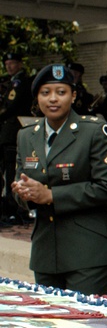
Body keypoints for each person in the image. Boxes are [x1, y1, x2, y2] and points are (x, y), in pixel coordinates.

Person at [12, 63, 107, 295]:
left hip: (89, 252)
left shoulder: (93, 131)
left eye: (61, 92)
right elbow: (20, 184)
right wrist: (24, 194)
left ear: (73, 96)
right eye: (46, 93)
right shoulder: (26, 135)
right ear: (37, 98)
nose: (53, 99)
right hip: (45, 251)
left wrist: (51, 195)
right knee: (50, 327)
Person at [0, 52, 34, 226]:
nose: (9, 67)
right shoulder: (10, 82)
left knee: (12, 170)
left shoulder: (18, 82)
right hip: (8, 131)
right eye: (6, 64)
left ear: (20, 64)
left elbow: (10, 106)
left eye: (12, 63)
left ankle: (12, 209)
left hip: (12, 131)